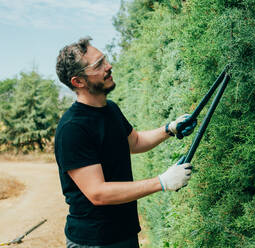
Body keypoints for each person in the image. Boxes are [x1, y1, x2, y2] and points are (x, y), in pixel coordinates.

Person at [54, 37, 197, 248]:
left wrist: (170, 129)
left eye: (105, 60)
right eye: (99, 64)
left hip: (125, 233)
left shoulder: (110, 109)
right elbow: (98, 193)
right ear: (78, 81)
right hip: (94, 241)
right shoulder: (72, 129)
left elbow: (135, 141)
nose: (109, 66)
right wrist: (162, 182)